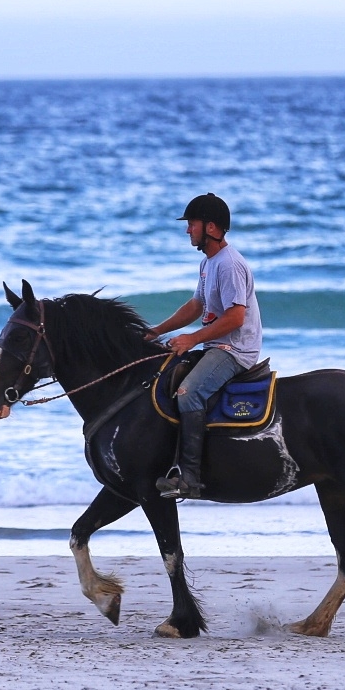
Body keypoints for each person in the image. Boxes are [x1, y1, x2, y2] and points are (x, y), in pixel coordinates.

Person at [143, 193, 263, 500]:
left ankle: (191, 479)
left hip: (235, 350)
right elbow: (197, 305)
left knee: (189, 392)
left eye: (192, 224)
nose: (188, 231)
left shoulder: (229, 264)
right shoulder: (208, 263)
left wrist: (192, 339)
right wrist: (157, 330)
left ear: (210, 227)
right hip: (216, 346)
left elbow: (236, 317)